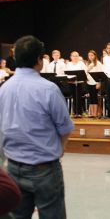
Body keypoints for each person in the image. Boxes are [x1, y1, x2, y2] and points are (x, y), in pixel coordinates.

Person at [0, 35, 74, 219]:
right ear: (39, 60)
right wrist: (61, 148)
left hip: (13, 168)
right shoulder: (48, 89)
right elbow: (65, 128)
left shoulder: (3, 89)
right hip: (45, 169)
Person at [86, 50, 103, 117]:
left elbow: (100, 74)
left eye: (92, 55)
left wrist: (98, 82)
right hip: (89, 82)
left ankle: (95, 113)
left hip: (95, 83)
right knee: (91, 98)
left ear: (95, 56)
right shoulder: (88, 63)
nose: (90, 57)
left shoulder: (98, 63)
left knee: (95, 98)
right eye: (89, 55)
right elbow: (86, 73)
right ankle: (92, 113)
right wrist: (88, 69)